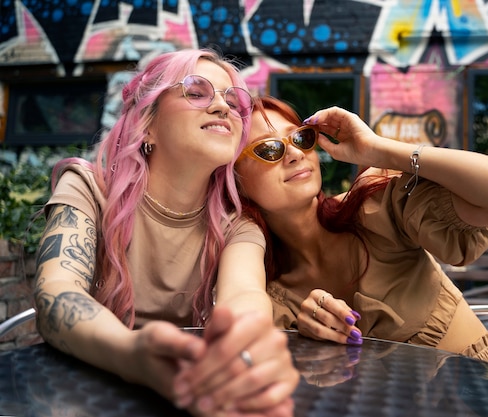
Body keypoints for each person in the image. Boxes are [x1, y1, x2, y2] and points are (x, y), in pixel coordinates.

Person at [33, 50, 298, 417]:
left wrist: (244, 352)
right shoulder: (89, 188)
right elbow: (56, 292)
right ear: (147, 123)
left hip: (190, 392)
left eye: (233, 100)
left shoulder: (237, 224)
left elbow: (244, 295)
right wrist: (132, 355)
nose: (223, 106)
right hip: (80, 393)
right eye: (196, 91)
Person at [234, 96, 488, 379]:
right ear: (234, 181)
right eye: (269, 149)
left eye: (301, 138)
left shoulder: (374, 209)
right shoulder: (266, 294)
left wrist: (379, 149)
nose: (294, 154)